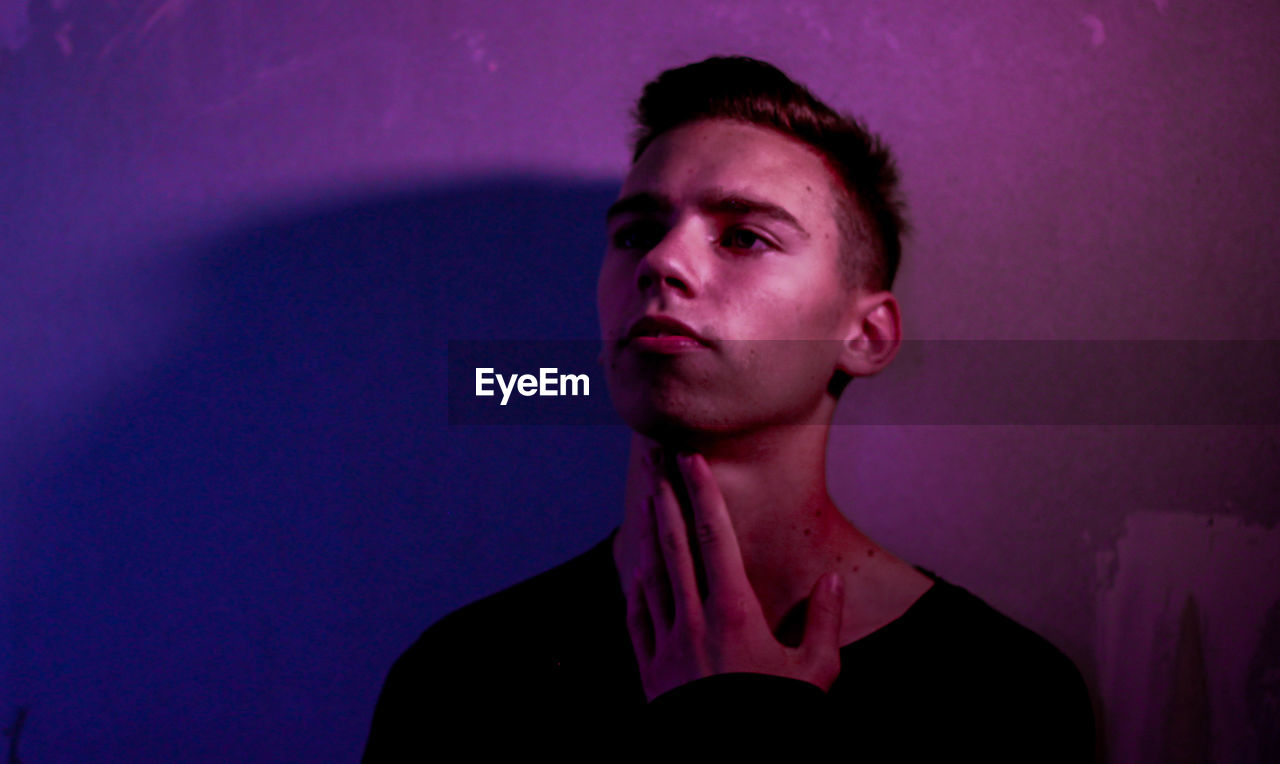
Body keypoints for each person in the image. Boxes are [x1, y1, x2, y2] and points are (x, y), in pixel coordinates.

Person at [363, 56, 1095, 759]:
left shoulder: (1000, 694)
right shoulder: (458, 678)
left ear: (866, 335)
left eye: (744, 237)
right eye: (636, 234)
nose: (661, 263)